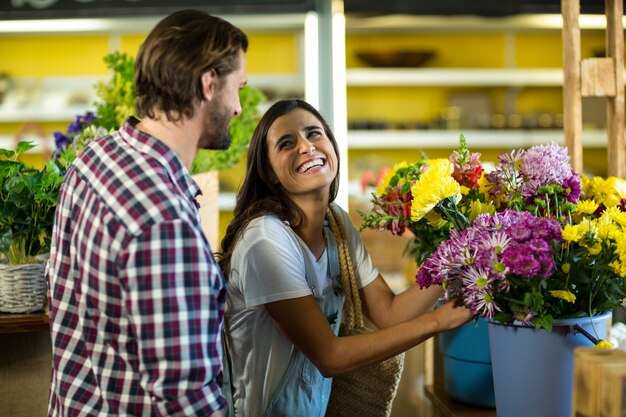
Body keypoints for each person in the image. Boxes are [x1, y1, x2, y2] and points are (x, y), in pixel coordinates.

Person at [47, 10, 248, 417]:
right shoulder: (163, 220)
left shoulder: (93, 159)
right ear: (209, 83)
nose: (239, 108)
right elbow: (186, 401)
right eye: (237, 88)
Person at [217, 99, 474, 416]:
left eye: (314, 134)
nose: (306, 147)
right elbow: (329, 356)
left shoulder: (335, 223)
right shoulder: (265, 240)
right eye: (287, 143)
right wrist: (438, 320)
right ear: (269, 174)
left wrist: (461, 253)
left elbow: (388, 313)